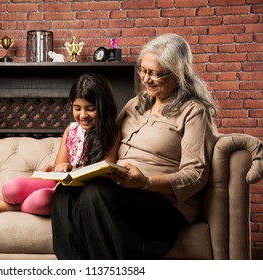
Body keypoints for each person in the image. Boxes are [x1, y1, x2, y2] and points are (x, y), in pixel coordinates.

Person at [51, 33, 219, 259]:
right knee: (64, 192)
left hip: (163, 201)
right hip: (121, 190)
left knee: (94, 194)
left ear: (178, 74)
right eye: (143, 70)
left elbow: (195, 175)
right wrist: (74, 168)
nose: (146, 79)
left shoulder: (194, 112)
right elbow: (106, 140)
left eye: (155, 73)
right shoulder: (133, 106)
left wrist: (146, 183)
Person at [0, 73, 121, 215]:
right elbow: (58, 171)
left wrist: (72, 170)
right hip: (59, 183)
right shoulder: (71, 130)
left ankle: (12, 207)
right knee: (10, 188)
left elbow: (104, 174)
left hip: (77, 192)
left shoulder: (111, 134)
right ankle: (10, 201)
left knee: (41, 199)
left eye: (90, 109)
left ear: (103, 107)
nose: (83, 115)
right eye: (77, 108)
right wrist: (59, 169)